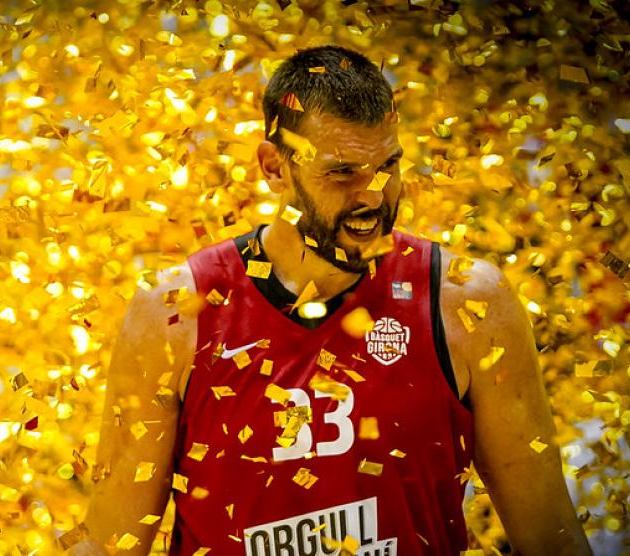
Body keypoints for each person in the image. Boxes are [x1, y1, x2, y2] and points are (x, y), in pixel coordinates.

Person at [68, 45, 592, 556]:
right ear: (275, 167)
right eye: (342, 172)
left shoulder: (467, 302)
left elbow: (551, 540)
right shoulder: (177, 310)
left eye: (388, 165)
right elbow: (110, 541)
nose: (372, 196)